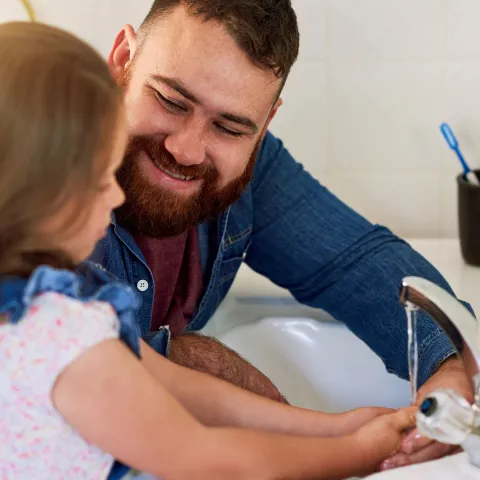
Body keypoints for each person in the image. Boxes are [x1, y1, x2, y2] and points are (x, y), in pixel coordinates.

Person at [0, 20, 418, 480]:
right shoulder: (61, 336)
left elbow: (171, 382)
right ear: (35, 193)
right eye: (101, 179)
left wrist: (333, 429)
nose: (114, 197)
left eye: (230, 127)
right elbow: (206, 459)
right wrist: (357, 453)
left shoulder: (52, 307)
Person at [90, 0, 473, 470]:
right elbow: (93, 364)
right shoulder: (33, 175)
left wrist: (452, 363)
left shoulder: (251, 171)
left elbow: (354, 260)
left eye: (229, 127)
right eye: (171, 101)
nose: (186, 149)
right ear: (123, 58)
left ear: (265, 123)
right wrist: (195, 360)